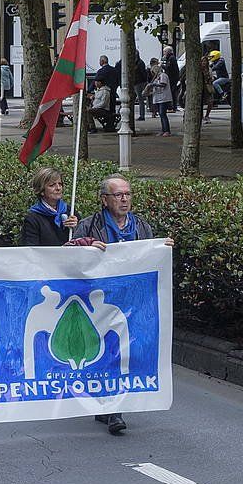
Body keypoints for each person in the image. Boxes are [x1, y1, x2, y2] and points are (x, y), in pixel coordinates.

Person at [71, 173, 175, 435]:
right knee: (107, 353)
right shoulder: (88, 225)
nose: (125, 199)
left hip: (131, 302)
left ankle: (112, 406)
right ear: (105, 199)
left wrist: (162, 249)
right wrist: (84, 245)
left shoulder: (141, 226)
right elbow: (68, 255)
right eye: (118, 195)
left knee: (125, 353)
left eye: (127, 194)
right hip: (99, 302)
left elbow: (148, 259)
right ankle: (111, 409)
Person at [19, 167, 82, 246]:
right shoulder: (33, 218)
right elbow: (30, 249)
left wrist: (77, 228)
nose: (58, 188)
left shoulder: (70, 211)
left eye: (60, 184)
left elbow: (83, 240)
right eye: (52, 185)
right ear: (41, 190)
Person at [148, 61, 173, 136]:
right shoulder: (156, 78)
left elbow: (163, 84)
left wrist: (153, 84)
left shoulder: (163, 75)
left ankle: (167, 130)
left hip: (163, 98)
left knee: (163, 113)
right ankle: (163, 129)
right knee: (161, 114)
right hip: (158, 98)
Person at [162, 45, 180, 112]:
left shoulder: (171, 58)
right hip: (172, 77)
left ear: (168, 52)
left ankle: (172, 107)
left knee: (172, 92)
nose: (164, 53)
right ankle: (171, 106)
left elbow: (169, 68)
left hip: (172, 78)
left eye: (165, 52)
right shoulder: (170, 58)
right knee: (172, 92)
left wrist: (162, 66)